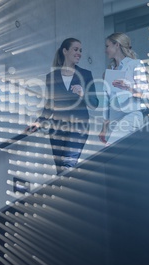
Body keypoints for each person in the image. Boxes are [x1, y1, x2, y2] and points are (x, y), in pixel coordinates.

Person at [27, 38, 99, 171]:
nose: (79, 53)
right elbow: (50, 105)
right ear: (65, 51)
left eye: (80, 50)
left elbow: (95, 103)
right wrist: (39, 122)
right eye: (75, 49)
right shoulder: (51, 77)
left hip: (78, 127)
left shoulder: (86, 75)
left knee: (68, 166)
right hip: (57, 128)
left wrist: (82, 93)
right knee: (60, 169)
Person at [98, 32, 149, 146]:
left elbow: (144, 93)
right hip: (114, 120)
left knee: (110, 150)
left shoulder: (135, 64)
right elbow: (106, 101)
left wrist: (128, 87)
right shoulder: (108, 71)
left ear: (117, 45)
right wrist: (104, 127)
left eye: (107, 46)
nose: (105, 50)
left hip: (131, 116)